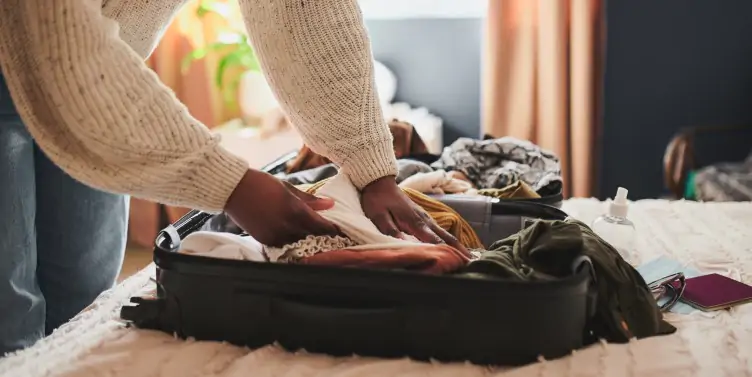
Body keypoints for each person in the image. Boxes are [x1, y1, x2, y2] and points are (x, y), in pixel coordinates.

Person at [0, 0, 465, 355]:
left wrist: (371, 167)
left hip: (107, 76)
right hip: (42, 53)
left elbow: (302, 13)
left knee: (81, 304)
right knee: (11, 318)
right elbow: (57, 43)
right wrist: (228, 183)